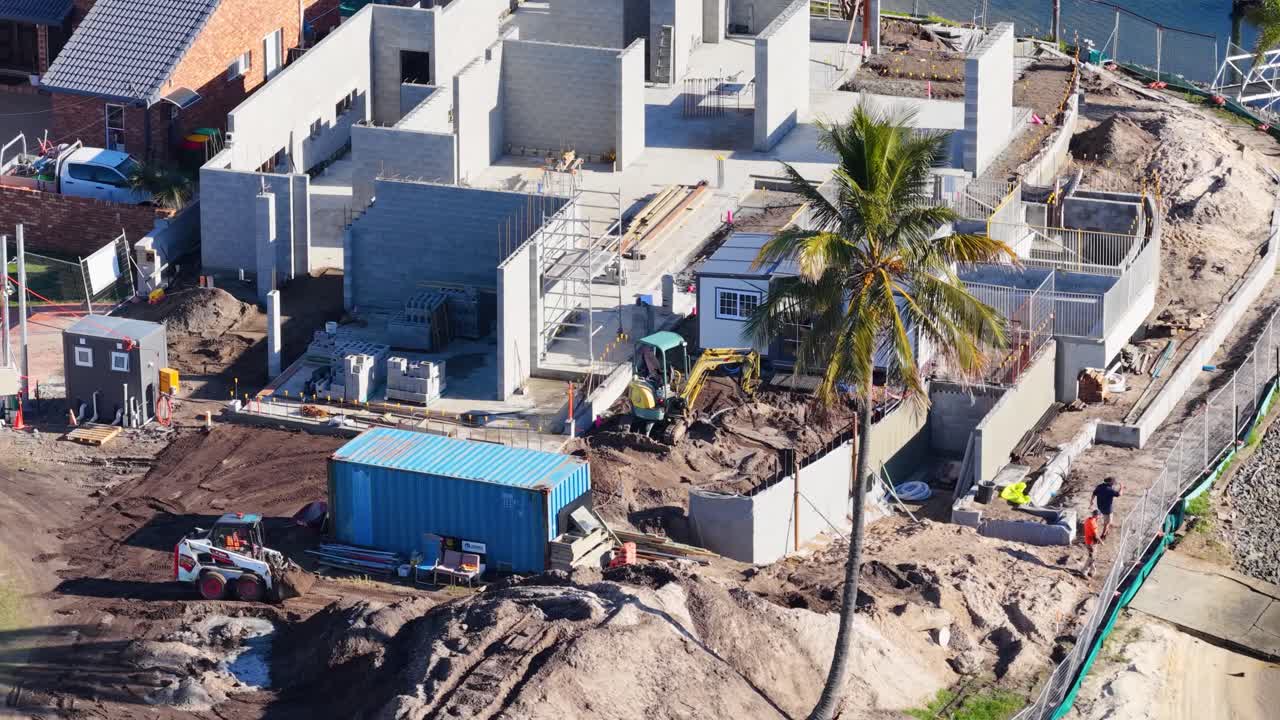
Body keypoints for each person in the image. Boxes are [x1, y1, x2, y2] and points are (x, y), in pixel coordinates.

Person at [1081, 510, 1101, 578]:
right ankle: (1084, 572)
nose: (1099, 517)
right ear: (1096, 515)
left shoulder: (1088, 520)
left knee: (1092, 557)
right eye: (1099, 516)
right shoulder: (1093, 523)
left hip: (1088, 541)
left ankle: (1092, 570)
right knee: (1091, 558)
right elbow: (1095, 535)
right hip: (1091, 543)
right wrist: (1101, 541)